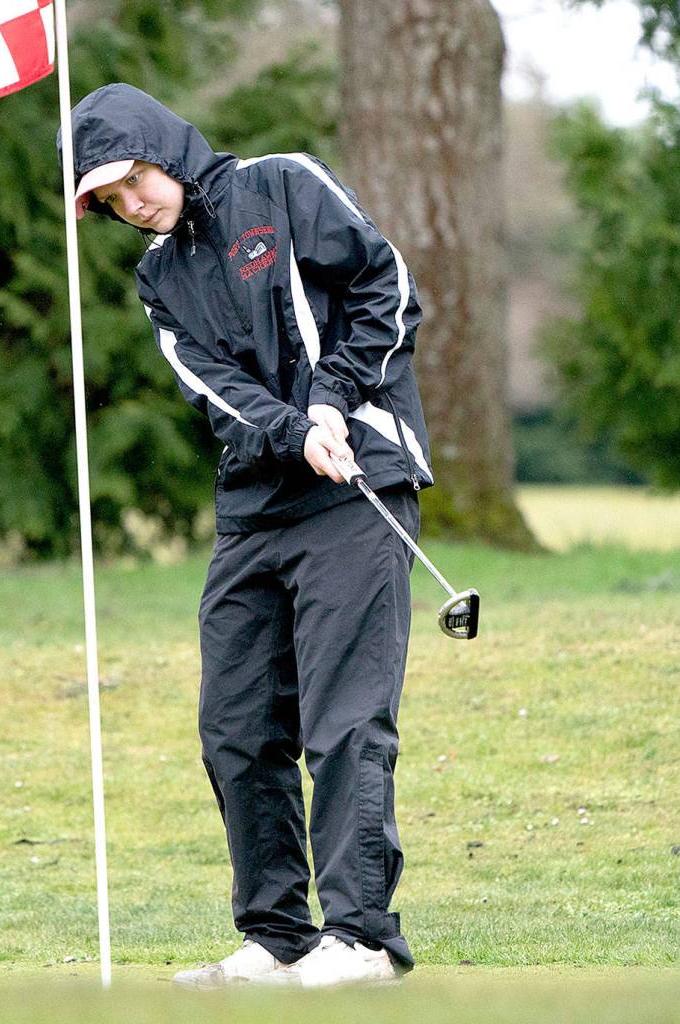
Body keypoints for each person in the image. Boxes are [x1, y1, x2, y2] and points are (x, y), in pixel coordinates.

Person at [57, 83, 433, 988]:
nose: (131, 202)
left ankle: (361, 939)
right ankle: (278, 938)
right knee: (235, 727)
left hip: (357, 486)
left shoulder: (282, 184)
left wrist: (333, 401)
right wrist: (294, 426)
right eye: (109, 199)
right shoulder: (158, 276)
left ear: (165, 149)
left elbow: (387, 288)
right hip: (256, 505)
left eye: (133, 178)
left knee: (345, 720)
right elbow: (215, 386)